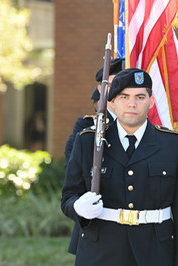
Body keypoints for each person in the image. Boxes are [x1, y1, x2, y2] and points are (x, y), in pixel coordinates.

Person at [61, 68, 178, 265]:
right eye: (124, 96)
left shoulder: (173, 144)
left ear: (151, 102)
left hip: (155, 253)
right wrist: (77, 207)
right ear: (111, 102)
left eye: (140, 97)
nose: (132, 104)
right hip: (100, 252)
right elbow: (68, 197)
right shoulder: (88, 141)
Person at [63, 58, 125, 255]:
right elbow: (74, 174)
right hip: (98, 228)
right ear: (101, 90)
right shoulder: (85, 129)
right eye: (116, 84)